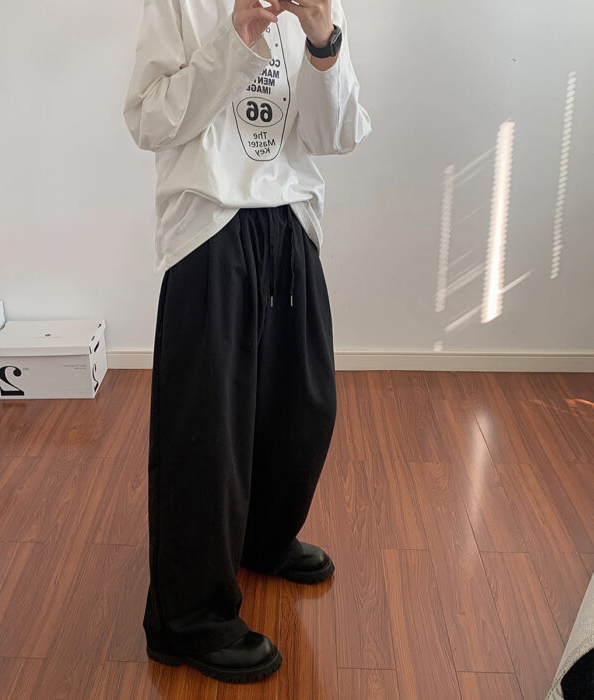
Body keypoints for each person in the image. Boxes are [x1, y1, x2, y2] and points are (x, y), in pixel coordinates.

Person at [123, 0, 371, 684]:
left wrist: (322, 40)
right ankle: (188, 619)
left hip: (290, 219)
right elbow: (148, 120)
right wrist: (234, 39)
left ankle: (261, 539)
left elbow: (335, 134)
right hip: (209, 223)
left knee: (304, 406)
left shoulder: (317, 7)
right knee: (206, 430)